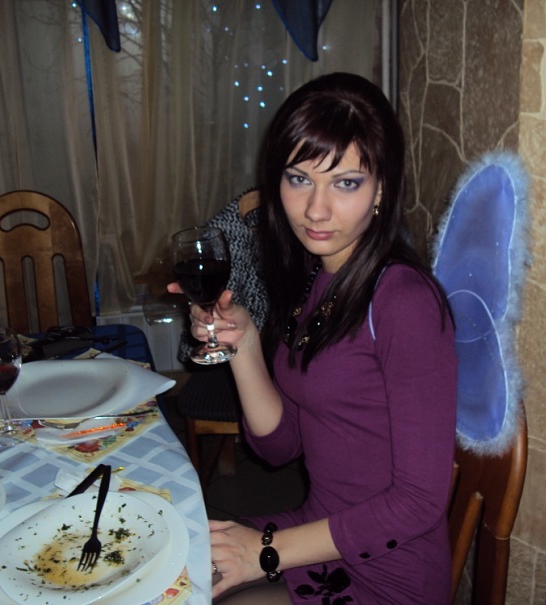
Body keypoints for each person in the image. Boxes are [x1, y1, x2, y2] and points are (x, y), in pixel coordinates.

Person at [171, 72, 457, 604]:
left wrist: (265, 552)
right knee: (167, 564)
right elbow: (280, 446)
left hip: (387, 569)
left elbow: (420, 502)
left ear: (382, 189)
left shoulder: (405, 303)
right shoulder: (316, 276)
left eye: (346, 183)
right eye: (299, 179)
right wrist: (243, 343)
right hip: (318, 531)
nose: (315, 210)